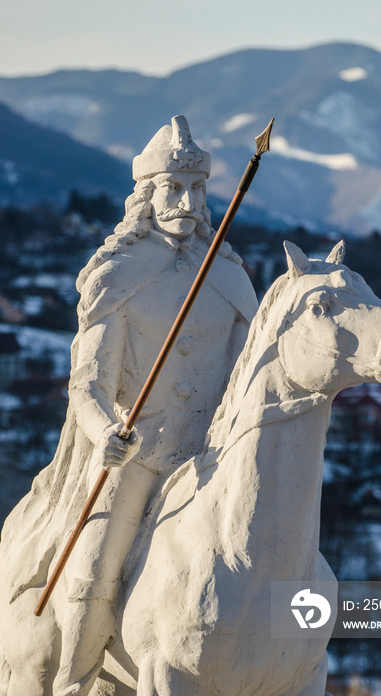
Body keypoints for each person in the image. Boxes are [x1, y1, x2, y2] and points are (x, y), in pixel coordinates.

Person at [0, 115, 258, 695]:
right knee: (94, 562)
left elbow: (247, 374)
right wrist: (106, 432)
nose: (188, 202)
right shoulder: (118, 276)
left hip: (213, 459)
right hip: (140, 454)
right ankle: (74, 676)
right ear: (147, 193)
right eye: (174, 187)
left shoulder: (228, 276)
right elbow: (87, 385)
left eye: (197, 189)